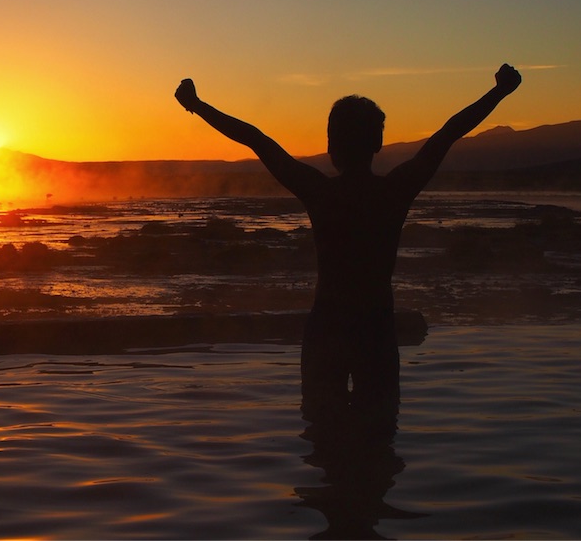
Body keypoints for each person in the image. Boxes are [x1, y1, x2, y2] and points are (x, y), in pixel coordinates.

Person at [174, 64, 521, 418]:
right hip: (376, 330)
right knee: (379, 432)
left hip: (328, 327)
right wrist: (499, 91)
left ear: (331, 145)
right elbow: (448, 133)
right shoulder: (393, 192)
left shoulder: (322, 193)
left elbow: (256, 139)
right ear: (377, 143)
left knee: (323, 431)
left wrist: (197, 105)